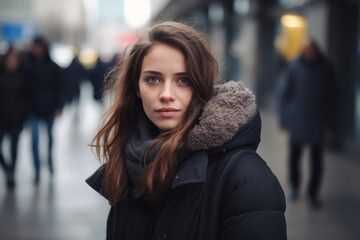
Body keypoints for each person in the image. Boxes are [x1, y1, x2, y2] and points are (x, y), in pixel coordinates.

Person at [87, 21, 286, 239]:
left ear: (201, 85)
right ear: (136, 87)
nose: (166, 94)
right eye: (153, 79)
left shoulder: (246, 178)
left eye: (183, 80)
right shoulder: (127, 165)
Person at [278, 39, 336, 209]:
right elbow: (284, 94)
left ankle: (313, 192)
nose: (309, 52)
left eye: (312, 49)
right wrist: (284, 119)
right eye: (307, 49)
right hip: (298, 120)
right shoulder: (294, 67)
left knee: (316, 160)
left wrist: (332, 121)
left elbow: (333, 96)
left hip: (318, 120)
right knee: (295, 156)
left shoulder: (326, 68)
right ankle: (294, 186)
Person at [25, 36, 64, 184]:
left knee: (49, 138)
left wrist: (59, 105)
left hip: (49, 107)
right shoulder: (28, 65)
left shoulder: (53, 66)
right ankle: (37, 168)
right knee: (34, 139)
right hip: (33, 108)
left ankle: (49, 160)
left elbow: (60, 87)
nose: (37, 50)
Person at [0, 47, 31, 189]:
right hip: (2, 118)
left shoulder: (23, 76)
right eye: (10, 59)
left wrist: (23, 113)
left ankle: (12, 172)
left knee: (14, 148)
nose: (12, 62)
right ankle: (6, 169)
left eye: (14, 59)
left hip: (17, 119)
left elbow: (28, 97)